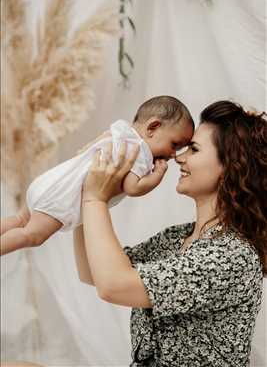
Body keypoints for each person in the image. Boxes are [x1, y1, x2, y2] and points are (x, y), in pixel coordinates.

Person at [74, 100, 266, 366]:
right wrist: (83, 188)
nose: (179, 157)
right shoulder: (176, 238)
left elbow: (112, 285)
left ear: (229, 168)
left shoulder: (232, 256)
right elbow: (92, 272)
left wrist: (96, 200)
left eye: (194, 149)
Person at [0, 96, 194, 256]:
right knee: (31, 235)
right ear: (152, 128)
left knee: (19, 220)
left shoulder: (120, 131)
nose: (173, 155)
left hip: (50, 181)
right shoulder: (140, 152)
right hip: (61, 199)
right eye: (174, 145)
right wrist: (157, 175)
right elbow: (132, 187)